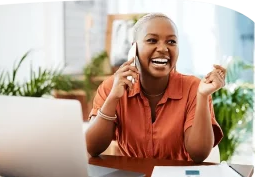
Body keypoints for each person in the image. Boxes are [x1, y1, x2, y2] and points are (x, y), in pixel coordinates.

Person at [85, 13, 226, 163]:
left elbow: (199, 154)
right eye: (152, 40)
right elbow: (93, 148)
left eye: (171, 42)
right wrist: (113, 97)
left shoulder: (194, 88)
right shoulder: (111, 87)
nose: (163, 48)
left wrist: (203, 96)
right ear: (134, 49)